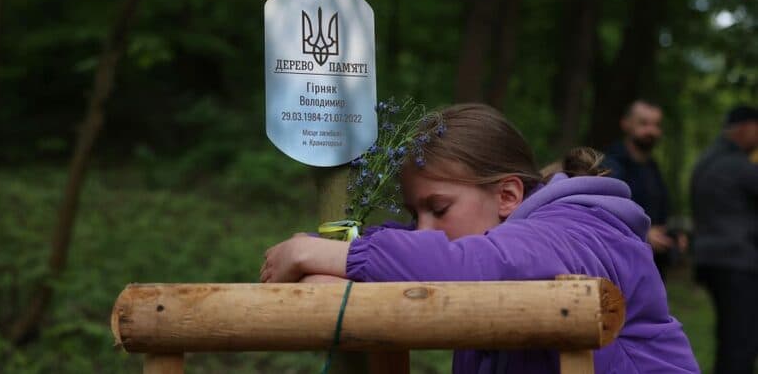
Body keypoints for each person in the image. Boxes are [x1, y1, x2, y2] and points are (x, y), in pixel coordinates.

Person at [262, 104, 699, 373]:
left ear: (508, 194)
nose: (424, 230)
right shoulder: (472, 256)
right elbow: (423, 253)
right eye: (416, 215)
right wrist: (341, 269)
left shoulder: (584, 228)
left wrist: (313, 252)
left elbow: (489, 263)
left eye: (440, 208)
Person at [691, 105, 758, 374]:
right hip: (737, 262)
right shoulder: (737, 165)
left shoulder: (707, 160)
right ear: (745, 128)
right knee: (740, 343)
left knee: (731, 338)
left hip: (710, 259)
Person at [602, 99, 684, 280]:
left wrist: (673, 235)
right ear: (626, 124)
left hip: (651, 267)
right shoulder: (609, 165)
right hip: (620, 267)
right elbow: (605, 213)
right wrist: (642, 234)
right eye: (644, 123)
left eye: (656, 125)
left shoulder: (653, 168)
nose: (651, 131)